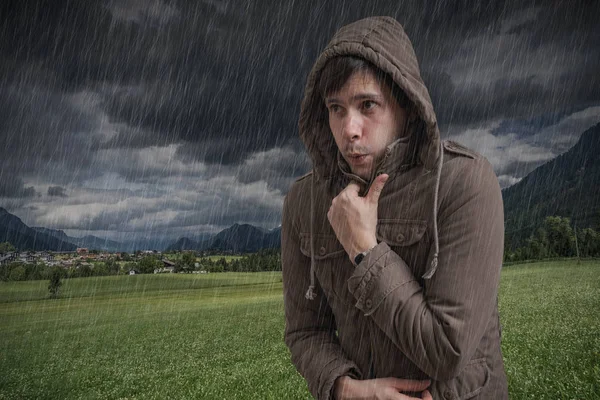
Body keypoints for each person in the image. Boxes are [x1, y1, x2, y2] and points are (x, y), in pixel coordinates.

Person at [281, 16, 508, 400]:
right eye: (336, 108)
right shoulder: (304, 201)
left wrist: (364, 251)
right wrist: (344, 388)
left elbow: (447, 351)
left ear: (405, 102)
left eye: (367, 104)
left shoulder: (464, 183)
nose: (349, 129)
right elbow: (305, 331)